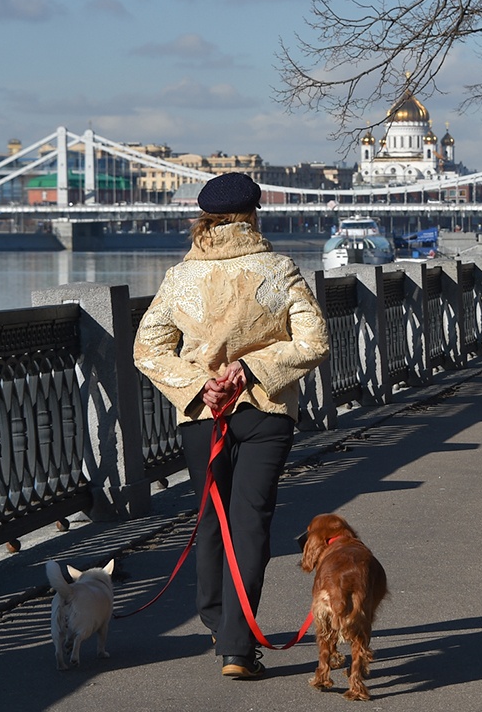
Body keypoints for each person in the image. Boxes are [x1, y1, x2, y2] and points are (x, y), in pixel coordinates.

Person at [133, 172, 330, 679]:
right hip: (266, 412)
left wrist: (202, 385)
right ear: (253, 215)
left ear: (204, 219)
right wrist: (250, 369)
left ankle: (219, 623)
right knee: (250, 522)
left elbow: (147, 350)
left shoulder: (180, 277)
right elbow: (314, 343)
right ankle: (237, 648)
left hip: (204, 418)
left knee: (210, 521)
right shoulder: (277, 269)